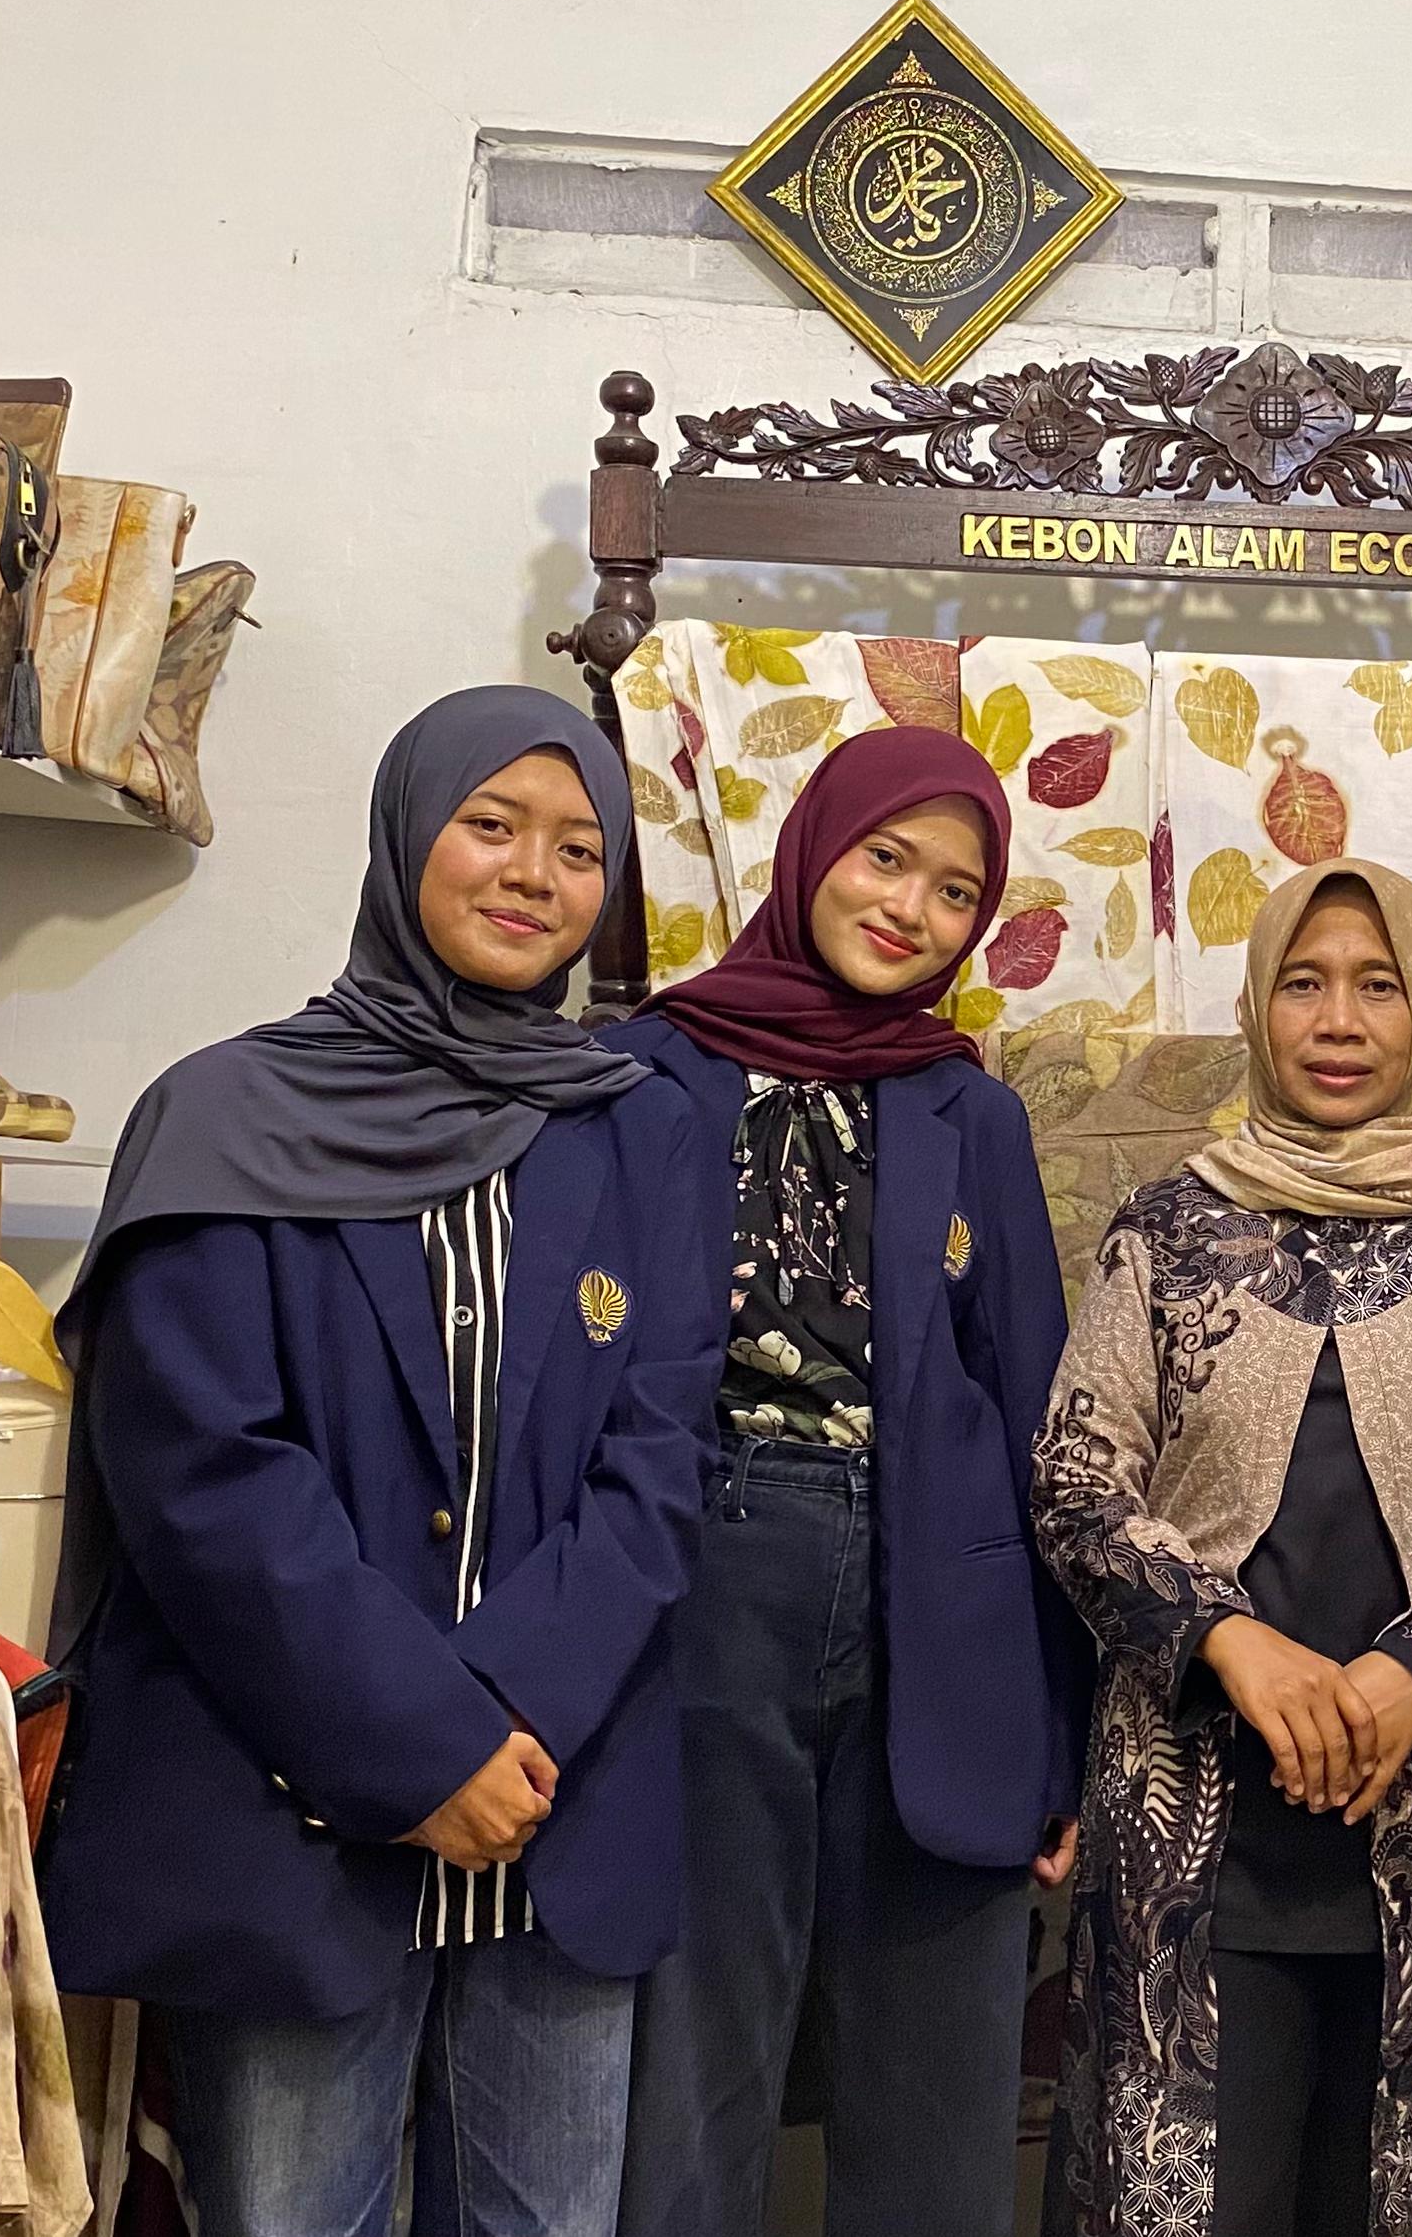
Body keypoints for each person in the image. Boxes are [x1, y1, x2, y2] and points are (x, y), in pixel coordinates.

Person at [38, 685, 724, 2237]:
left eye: (579, 848)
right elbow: (205, 1479)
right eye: (492, 826)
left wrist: (509, 1723)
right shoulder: (225, 1112)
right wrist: (421, 1751)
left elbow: (663, 1447)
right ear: (407, 833)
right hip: (295, 1815)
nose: (533, 875)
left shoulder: (640, 1128)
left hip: (556, 1814)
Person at [608, 725, 1083, 2237]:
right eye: (887, 858)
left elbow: (1033, 1405)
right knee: (691, 2059)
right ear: (815, 845)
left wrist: (1061, 1733)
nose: (910, 910)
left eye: (956, 892)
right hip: (704, 1573)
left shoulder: (970, 1109)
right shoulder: (649, 1072)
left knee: (938, 2078)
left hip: (941, 1598)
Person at [1033, 858, 1412, 2237]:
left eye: (1378, 986)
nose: (1339, 1020)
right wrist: (1234, 1644)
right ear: (1256, 1007)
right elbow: (1072, 1480)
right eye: (1304, 983)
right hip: (1194, 1815)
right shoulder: (1171, 1227)